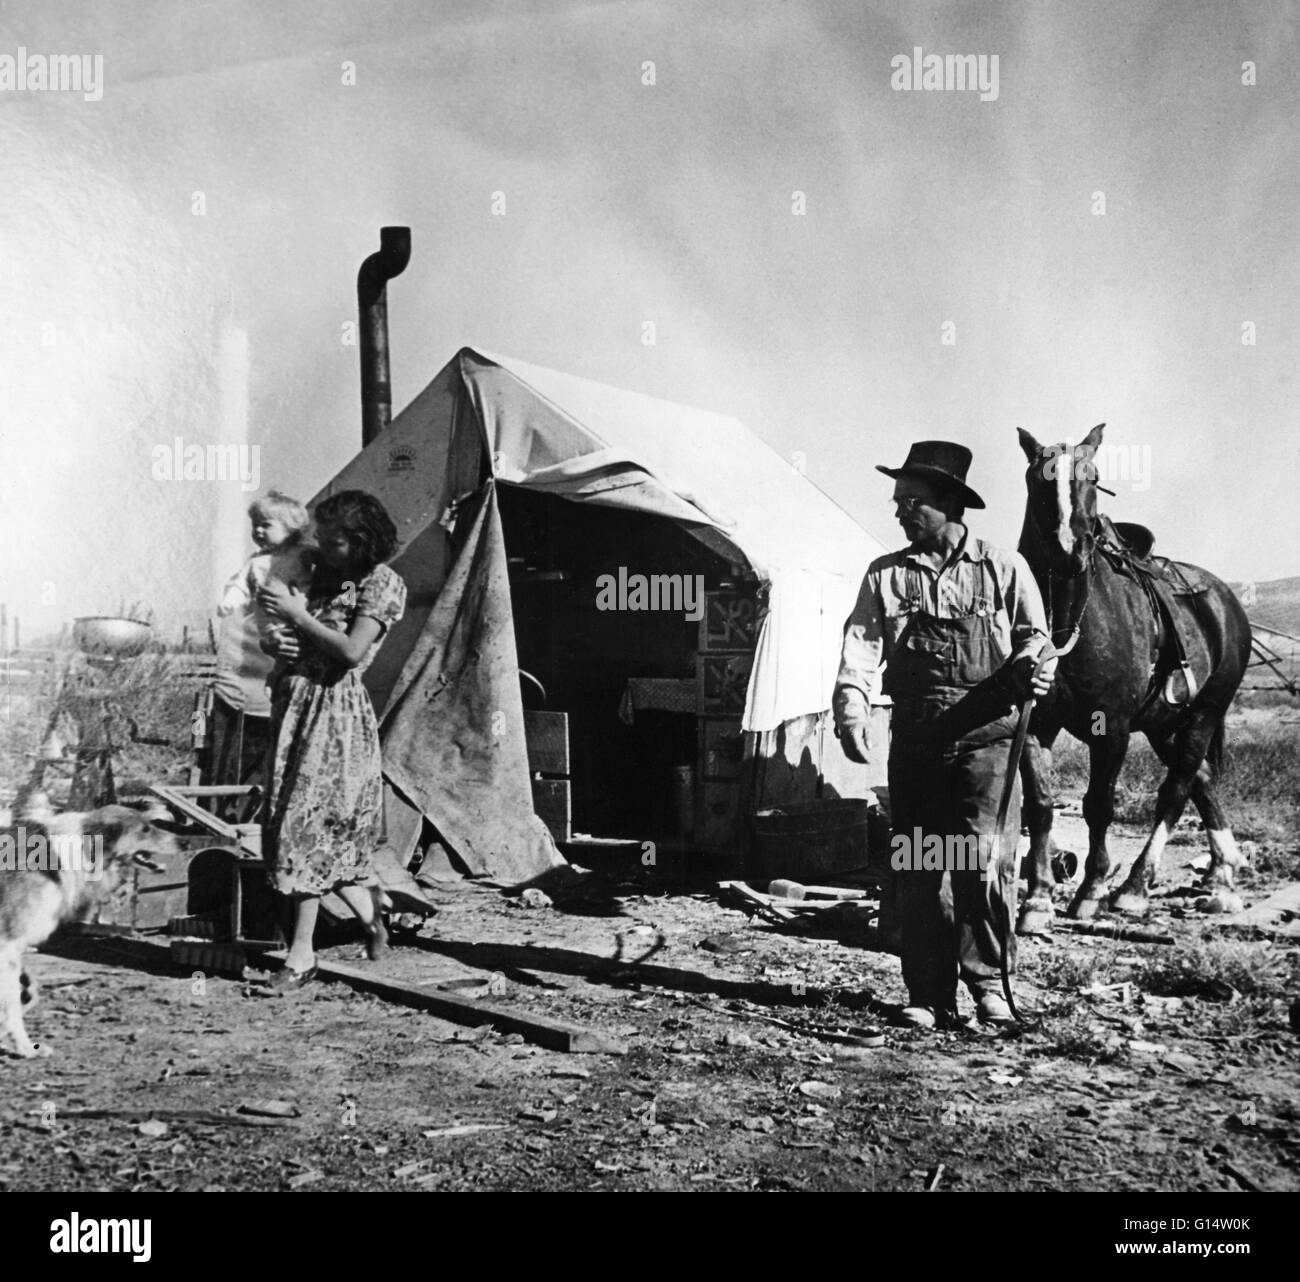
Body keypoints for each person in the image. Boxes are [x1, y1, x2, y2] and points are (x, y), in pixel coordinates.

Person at [834, 441, 1055, 1029]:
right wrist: (850, 708)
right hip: (918, 741)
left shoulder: (1002, 567)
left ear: (951, 504)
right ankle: (929, 993)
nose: (902, 512)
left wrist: (1033, 662)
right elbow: (860, 650)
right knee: (920, 867)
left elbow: (1039, 636)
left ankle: (988, 985)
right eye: (899, 501)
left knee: (982, 862)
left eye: (915, 502)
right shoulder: (885, 575)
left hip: (989, 738)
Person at [257, 489, 407, 990]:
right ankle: (371, 918)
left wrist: (297, 617)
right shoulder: (319, 574)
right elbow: (294, 636)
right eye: (321, 537)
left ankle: (301, 955)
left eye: (335, 540)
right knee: (302, 829)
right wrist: (274, 639)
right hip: (294, 708)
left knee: (309, 828)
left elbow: (349, 650)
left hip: (335, 716)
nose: (323, 547)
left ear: (362, 541)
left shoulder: (383, 584)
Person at [206, 491, 315, 822]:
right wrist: (231, 601)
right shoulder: (255, 563)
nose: (257, 532)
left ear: (292, 527)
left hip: (296, 626)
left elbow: (315, 587)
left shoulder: (305, 557)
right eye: (255, 525)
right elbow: (239, 587)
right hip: (266, 636)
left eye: (265, 525)